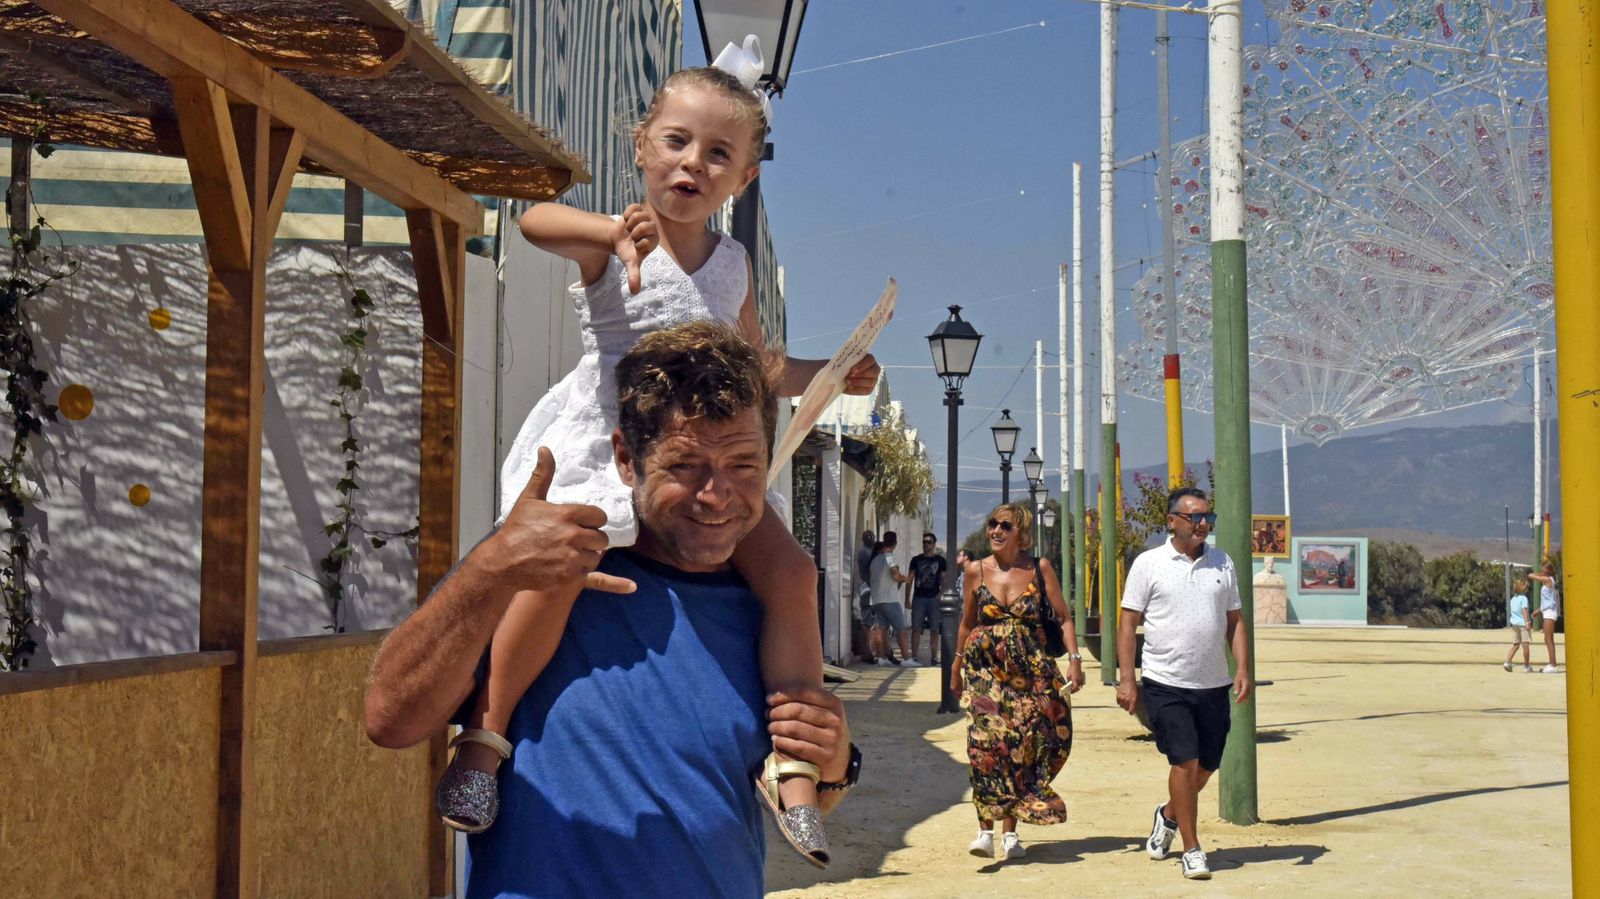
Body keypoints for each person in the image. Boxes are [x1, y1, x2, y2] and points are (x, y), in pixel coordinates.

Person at [438, 43, 879, 851]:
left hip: (701, 460)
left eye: (718, 153)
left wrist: (834, 372)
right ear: (641, 147)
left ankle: (793, 765)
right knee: (560, 569)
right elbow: (534, 221)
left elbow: (760, 366)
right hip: (609, 441)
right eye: (676, 141)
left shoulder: (734, 263)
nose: (692, 163)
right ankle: (485, 734)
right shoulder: (617, 237)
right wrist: (610, 230)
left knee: (791, 573)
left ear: (743, 178)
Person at [363, 322, 859, 895]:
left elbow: (774, 789)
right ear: (625, 457)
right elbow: (390, 721)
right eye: (684, 465)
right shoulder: (531, 569)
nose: (716, 494)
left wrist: (834, 762)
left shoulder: (769, 605)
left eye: (744, 465)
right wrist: (490, 568)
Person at [1116, 486, 1252, 881]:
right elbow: (1127, 623)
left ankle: (1169, 815)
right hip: (1165, 680)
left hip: (1213, 683)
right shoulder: (1149, 563)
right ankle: (1192, 849)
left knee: (1206, 767)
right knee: (1184, 761)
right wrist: (1128, 679)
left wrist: (1242, 668)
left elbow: (1235, 621)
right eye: (1194, 517)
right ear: (1172, 521)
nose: (1203, 524)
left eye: (1208, 516)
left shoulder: (1222, 562)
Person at [950, 503, 1083, 861]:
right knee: (984, 747)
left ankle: (1010, 833)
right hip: (985, 672)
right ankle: (984, 831)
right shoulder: (975, 571)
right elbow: (967, 623)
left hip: (1030, 673)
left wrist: (1074, 659)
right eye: (992, 523)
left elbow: (1064, 617)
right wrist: (956, 665)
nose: (995, 531)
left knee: (1022, 747)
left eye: (1004, 526)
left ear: (1020, 533)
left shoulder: (1039, 568)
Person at [869, 532, 912, 666]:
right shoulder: (890, 557)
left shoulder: (875, 560)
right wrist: (905, 578)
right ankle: (906, 659)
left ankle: (882, 658)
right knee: (901, 629)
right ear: (895, 543)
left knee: (882, 628)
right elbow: (895, 574)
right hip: (889, 599)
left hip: (876, 599)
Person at [906, 532, 949, 665]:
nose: (926, 544)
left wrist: (940, 595)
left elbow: (944, 580)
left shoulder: (940, 560)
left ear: (934, 544)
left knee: (935, 629)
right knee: (916, 628)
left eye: (929, 542)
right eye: (924, 542)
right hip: (919, 598)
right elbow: (910, 579)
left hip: (933, 599)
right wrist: (907, 598)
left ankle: (934, 657)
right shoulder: (916, 560)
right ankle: (914, 656)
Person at [1528, 563, 1561, 673]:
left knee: (1548, 639)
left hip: (1550, 613)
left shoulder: (1547, 580)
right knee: (1549, 639)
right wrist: (1538, 611)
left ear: (1548, 571)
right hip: (1547, 611)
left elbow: (1530, 575)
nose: (1541, 571)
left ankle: (1553, 665)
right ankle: (1552, 663)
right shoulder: (1549, 580)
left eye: (1543, 569)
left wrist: (1539, 574)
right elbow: (1548, 600)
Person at [1504, 579, 1533, 673]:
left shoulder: (1513, 599)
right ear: (1524, 588)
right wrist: (1527, 622)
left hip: (1514, 624)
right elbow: (1524, 610)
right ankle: (1526, 666)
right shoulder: (1524, 598)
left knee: (1516, 645)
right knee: (1525, 645)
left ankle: (1507, 662)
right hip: (1523, 625)